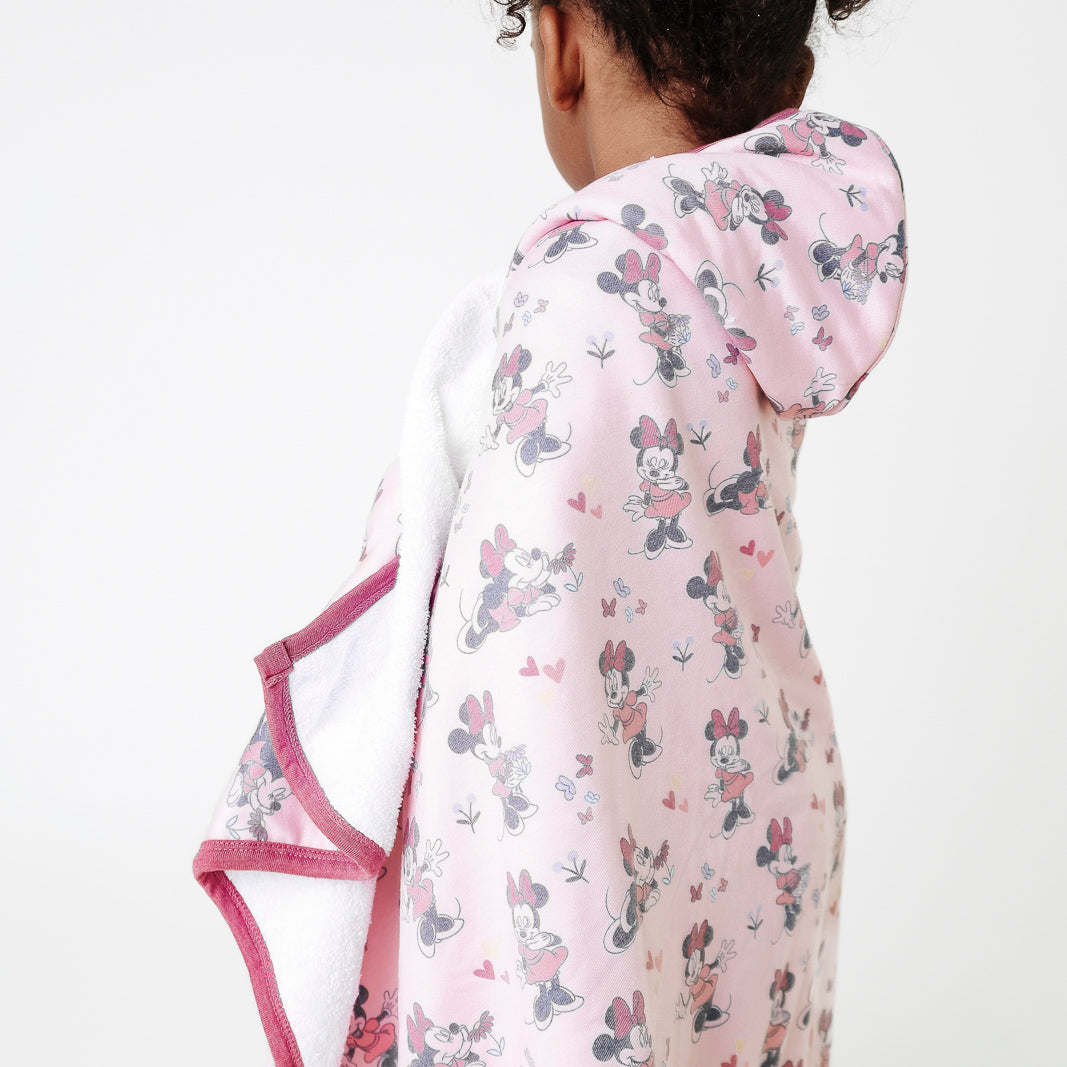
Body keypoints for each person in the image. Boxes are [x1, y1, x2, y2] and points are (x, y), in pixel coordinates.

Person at [193, 3, 907, 1065]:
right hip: (747, 801)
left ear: (562, 42)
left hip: (570, 854)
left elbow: (517, 667)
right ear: (791, 85)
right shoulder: (748, 277)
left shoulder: (581, 301)